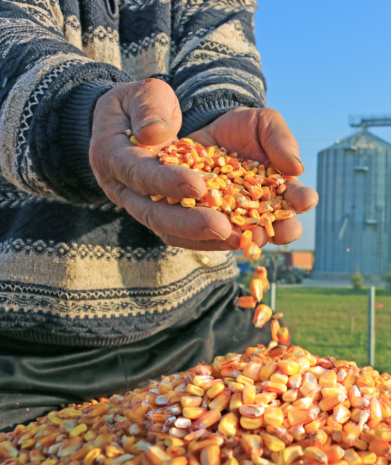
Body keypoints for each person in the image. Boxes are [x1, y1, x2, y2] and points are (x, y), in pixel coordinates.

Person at [0, 0, 317, 430]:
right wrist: (86, 115)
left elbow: (220, 52)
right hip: (22, 348)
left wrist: (219, 116)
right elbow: (10, 41)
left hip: (200, 321)